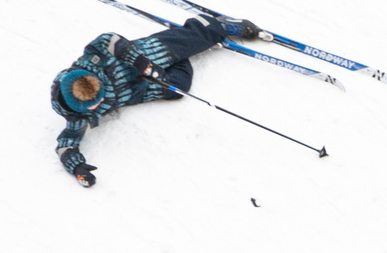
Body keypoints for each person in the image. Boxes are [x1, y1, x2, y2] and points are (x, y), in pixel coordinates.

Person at [50, 11, 261, 186]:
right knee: (180, 88)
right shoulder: (77, 117)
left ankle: (214, 26)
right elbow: (66, 145)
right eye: (95, 105)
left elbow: (109, 39)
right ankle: (184, 48)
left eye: (100, 96)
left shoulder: (91, 63)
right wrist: (77, 167)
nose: (99, 103)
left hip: (140, 59)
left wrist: (140, 62)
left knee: (179, 45)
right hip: (138, 90)